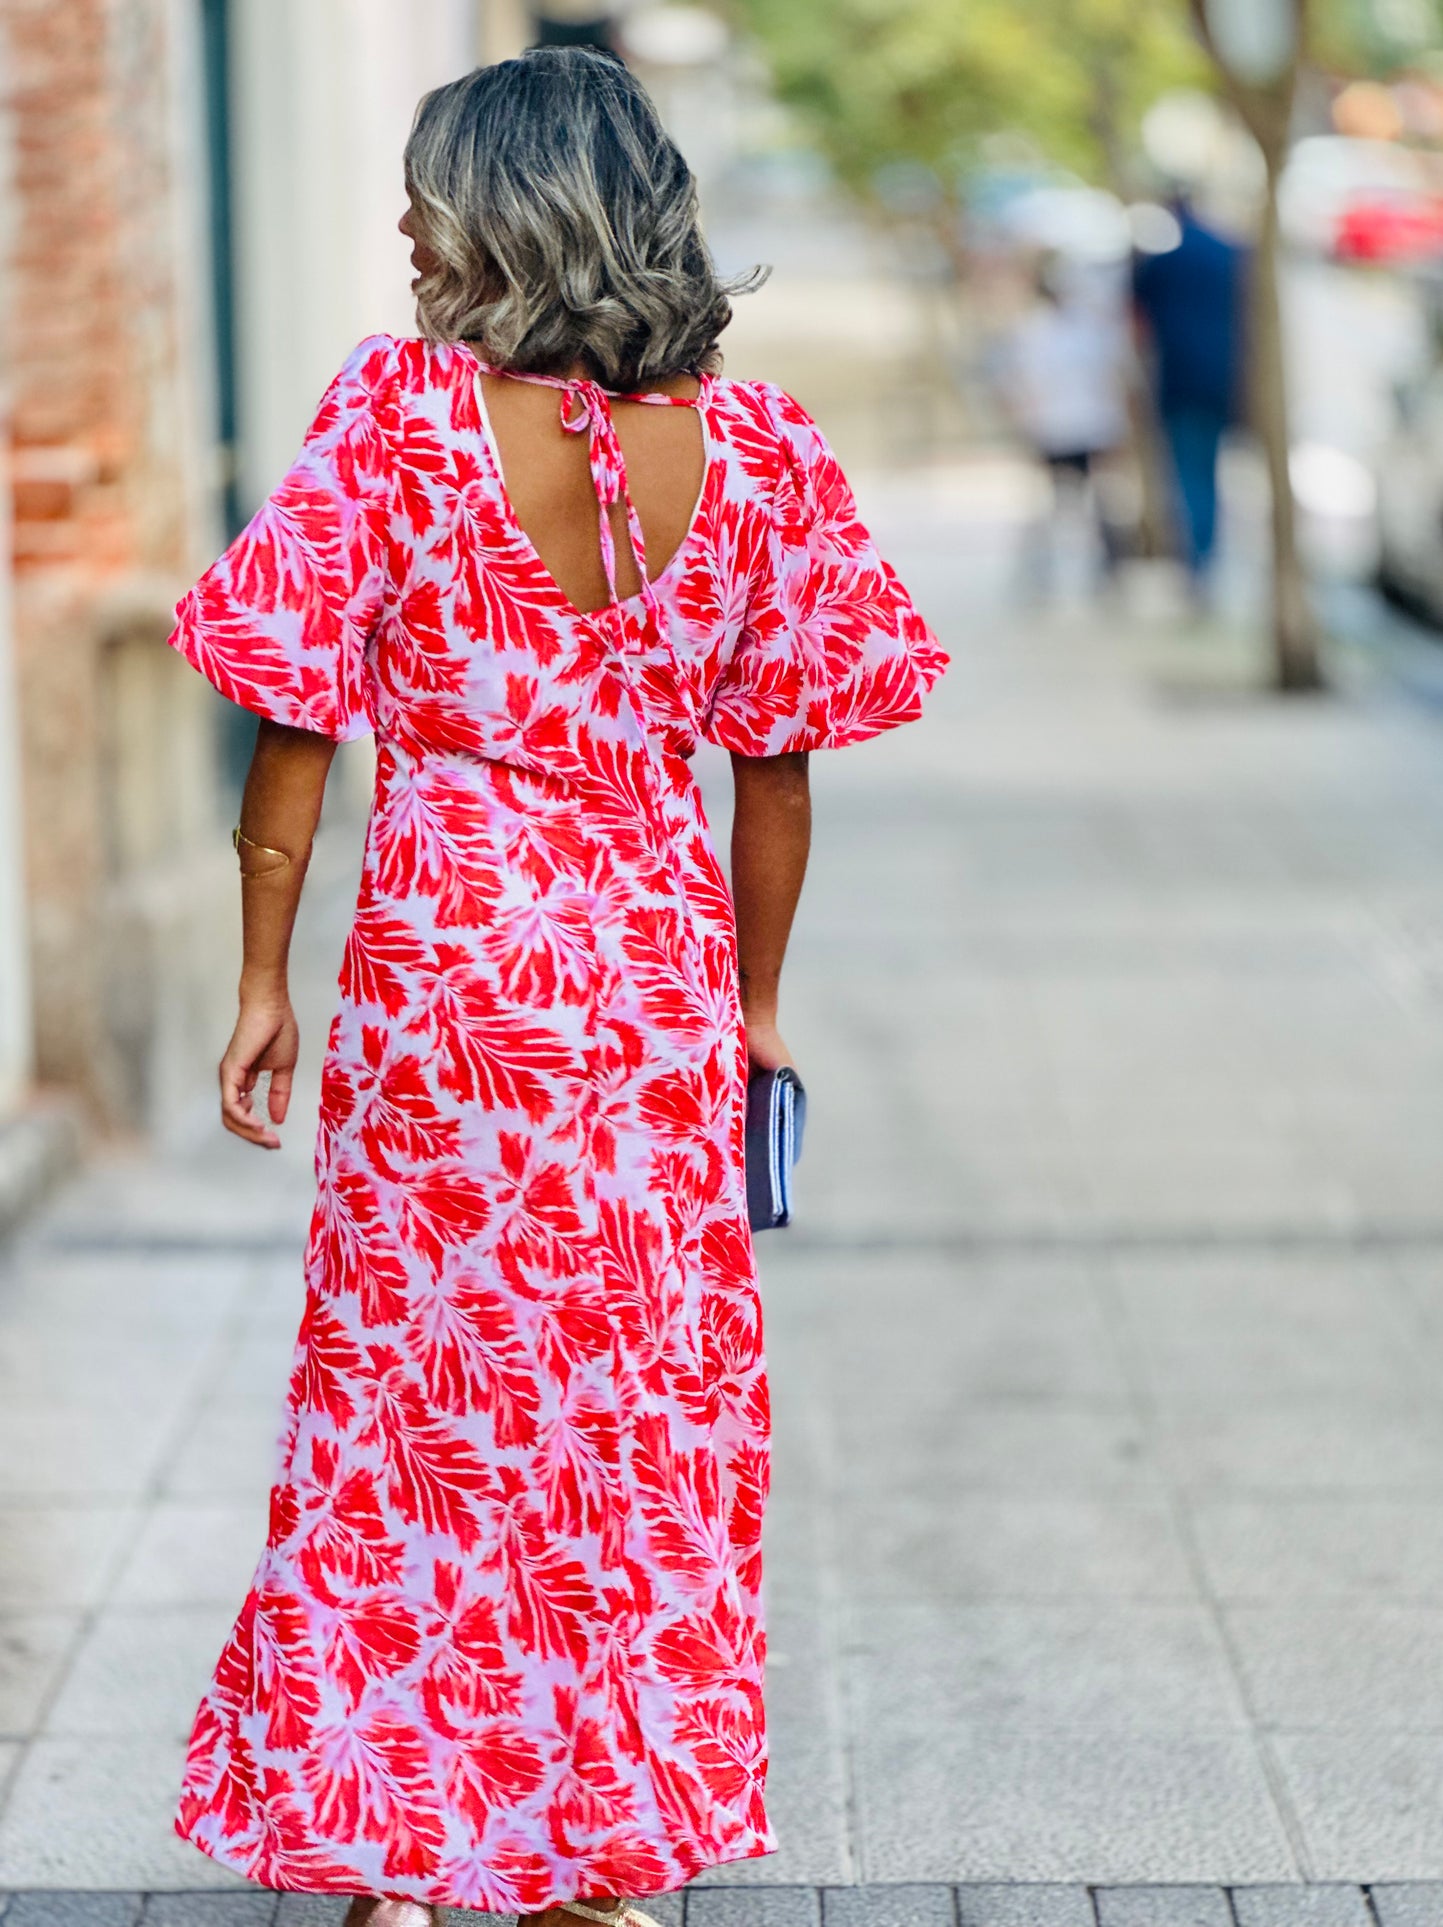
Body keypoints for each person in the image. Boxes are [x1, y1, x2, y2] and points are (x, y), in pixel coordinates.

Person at [164, 47, 948, 1927]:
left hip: (445, 980)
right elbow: (780, 765)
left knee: (412, 1399)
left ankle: (406, 1866)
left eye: (432, 189)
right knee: (633, 1404)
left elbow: (297, 713)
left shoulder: (401, 419)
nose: (410, 222)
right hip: (647, 980)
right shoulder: (756, 456)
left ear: (507, 208)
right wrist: (750, 1004)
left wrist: (264, 970)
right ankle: (600, 1865)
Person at [1131, 196, 1247, 590]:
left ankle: (1199, 558)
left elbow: (1137, 317)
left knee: (1188, 473)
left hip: (1179, 380)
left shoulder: (1163, 263)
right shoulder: (1230, 254)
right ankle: (1207, 553)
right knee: (1208, 469)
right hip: (1222, 378)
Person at [997, 256, 1131, 591]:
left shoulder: (1039, 330)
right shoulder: (1083, 328)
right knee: (1076, 502)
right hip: (1075, 425)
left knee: (1074, 502)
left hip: (1068, 426)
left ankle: (1083, 572)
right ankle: (1079, 572)